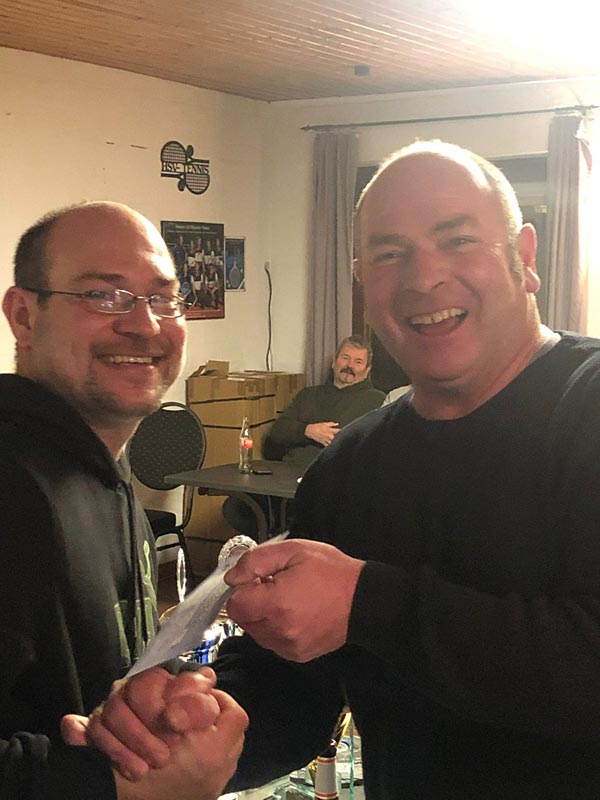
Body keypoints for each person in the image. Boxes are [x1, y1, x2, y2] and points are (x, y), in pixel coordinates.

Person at [69, 140, 600, 798]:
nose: (423, 278)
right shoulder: (350, 465)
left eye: (458, 240)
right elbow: (292, 692)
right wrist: (195, 721)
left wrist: (367, 603)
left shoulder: (586, 404)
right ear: (361, 280)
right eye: (389, 253)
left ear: (525, 257)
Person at [0, 201, 248, 799]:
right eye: (103, 296)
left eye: (163, 298)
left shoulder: (99, 477)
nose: (145, 325)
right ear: (23, 316)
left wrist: (163, 697)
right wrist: (118, 786)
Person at [222, 335, 384, 535]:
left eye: (358, 362)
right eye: (345, 358)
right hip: (287, 481)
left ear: (367, 370)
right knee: (236, 507)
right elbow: (278, 431)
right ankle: (277, 547)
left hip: (333, 486)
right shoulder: (308, 394)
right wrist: (307, 431)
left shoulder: (377, 401)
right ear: (334, 362)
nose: (349, 365)